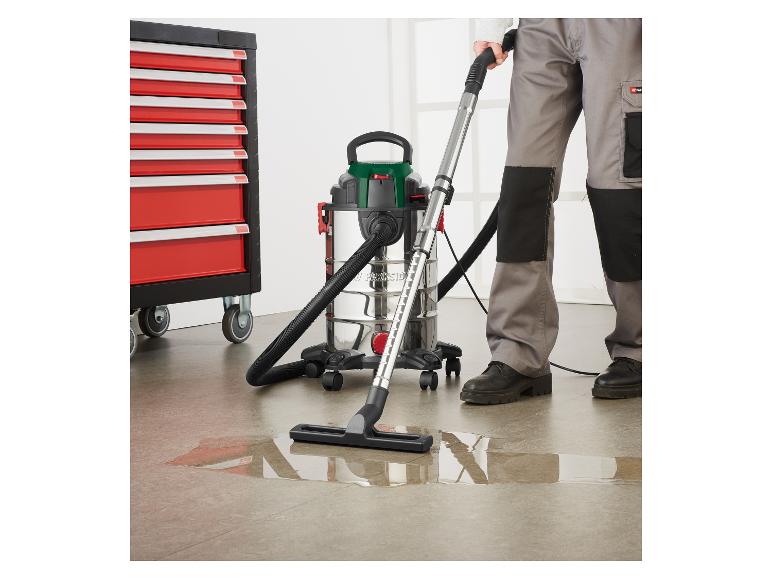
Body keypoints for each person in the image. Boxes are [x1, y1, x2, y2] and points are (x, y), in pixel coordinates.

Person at [460, 18, 642, 405]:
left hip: (621, 24)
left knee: (619, 190)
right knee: (524, 186)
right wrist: (492, 25)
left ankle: (641, 348)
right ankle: (518, 353)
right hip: (541, 26)